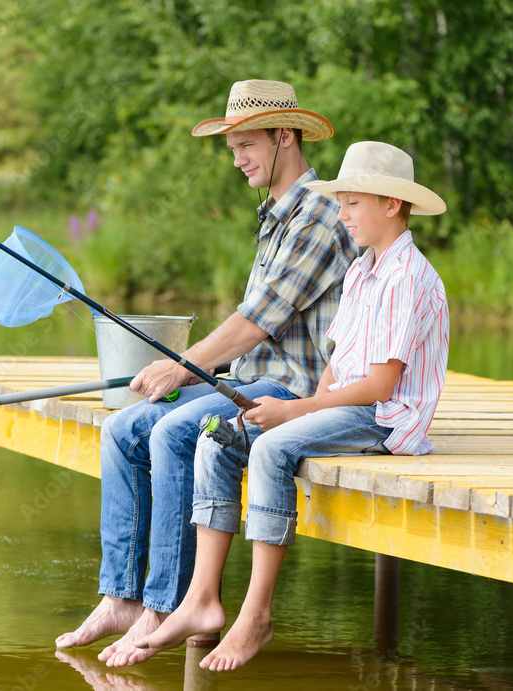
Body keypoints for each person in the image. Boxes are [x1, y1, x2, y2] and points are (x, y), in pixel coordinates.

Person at [55, 79, 358, 667]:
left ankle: (166, 604)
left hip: (295, 390)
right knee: (122, 429)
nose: (238, 158)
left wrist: (182, 364)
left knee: (173, 432)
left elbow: (258, 319)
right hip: (251, 378)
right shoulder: (276, 214)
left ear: (285, 136)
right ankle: (121, 595)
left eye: (246, 144)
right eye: (232, 147)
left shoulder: (319, 212)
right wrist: (193, 373)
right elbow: (247, 337)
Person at [134, 140, 450, 671]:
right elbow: (336, 361)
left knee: (271, 449)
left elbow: (378, 386)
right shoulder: (362, 271)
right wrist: (311, 402)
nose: (342, 214)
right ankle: (201, 599)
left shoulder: (407, 277)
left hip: (387, 418)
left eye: (353, 203)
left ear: (391, 204)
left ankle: (255, 615)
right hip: (343, 404)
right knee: (220, 436)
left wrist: (296, 412)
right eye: (342, 202)